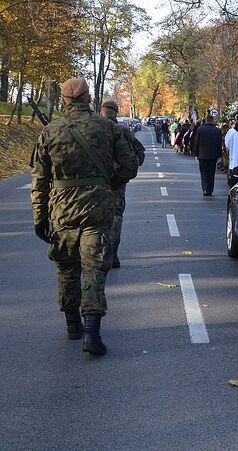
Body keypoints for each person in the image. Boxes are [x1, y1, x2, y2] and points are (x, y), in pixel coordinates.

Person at [30, 78, 139, 355]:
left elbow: (40, 181)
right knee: (93, 270)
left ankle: (72, 325)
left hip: (62, 212)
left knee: (67, 269)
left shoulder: (50, 131)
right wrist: (109, 182)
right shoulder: (107, 127)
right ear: (89, 98)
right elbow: (130, 165)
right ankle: (92, 333)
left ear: (64, 100)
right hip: (97, 210)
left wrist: (39, 218)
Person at [99, 100, 146, 268]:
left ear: (101, 111)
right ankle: (112, 254)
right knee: (116, 218)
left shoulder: (93, 130)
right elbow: (140, 155)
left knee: (96, 219)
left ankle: (100, 253)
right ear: (116, 113)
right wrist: (121, 175)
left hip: (96, 184)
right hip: (117, 183)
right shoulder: (123, 131)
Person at [192, 115, 223, 196]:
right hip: (213, 156)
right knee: (211, 173)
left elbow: (197, 142)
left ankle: (205, 189)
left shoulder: (200, 129)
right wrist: (219, 156)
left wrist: (195, 153)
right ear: (212, 121)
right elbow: (219, 144)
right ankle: (210, 189)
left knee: (204, 173)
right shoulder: (217, 130)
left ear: (206, 120)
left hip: (202, 155)